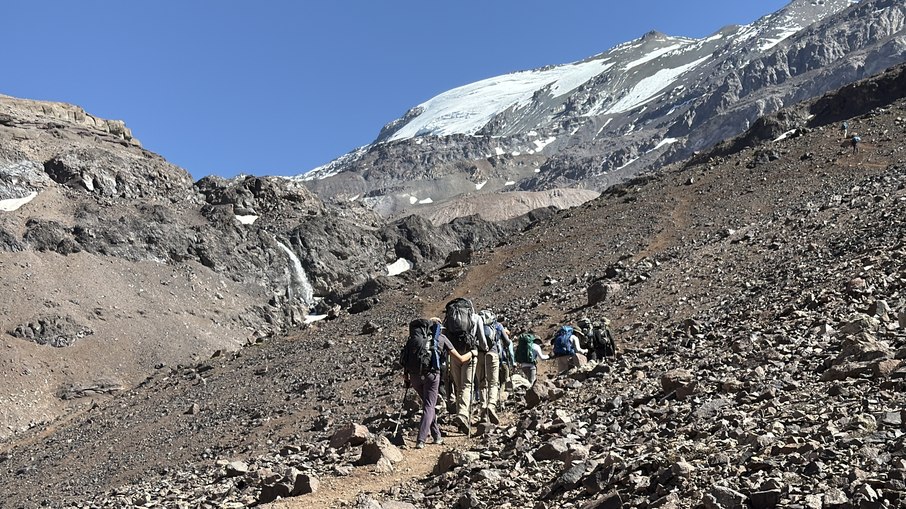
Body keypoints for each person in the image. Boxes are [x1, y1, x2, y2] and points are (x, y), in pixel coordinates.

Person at [401, 318, 471, 449]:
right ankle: (421, 439)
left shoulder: (414, 340)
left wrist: (407, 378)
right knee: (429, 406)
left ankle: (437, 435)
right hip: (432, 376)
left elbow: (405, 360)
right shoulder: (441, 338)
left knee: (429, 405)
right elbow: (460, 359)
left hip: (415, 377)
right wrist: (472, 353)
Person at [443, 298, 485, 435]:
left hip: (454, 353)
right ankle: (463, 414)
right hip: (470, 352)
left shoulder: (450, 319)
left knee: (458, 385)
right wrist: (481, 349)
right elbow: (482, 340)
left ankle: (462, 421)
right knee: (467, 385)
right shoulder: (476, 318)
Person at [477, 309, 508, 424]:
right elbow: (507, 341)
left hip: (479, 354)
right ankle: (491, 405)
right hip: (493, 354)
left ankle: (483, 411)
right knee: (493, 382)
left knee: (482, 383)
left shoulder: (477, 323)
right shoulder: (497, 325)